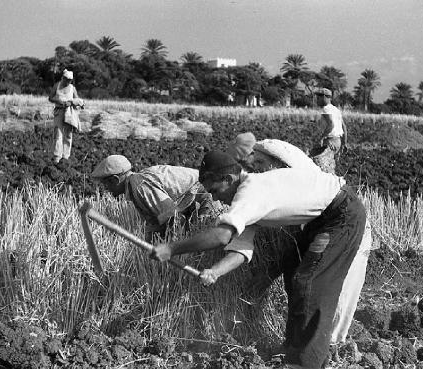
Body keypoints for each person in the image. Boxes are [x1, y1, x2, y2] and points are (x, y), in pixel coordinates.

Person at [151, 151, 367, 369]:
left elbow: (222, 235)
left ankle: (305, 363)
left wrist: (171, 248)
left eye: (215, 190)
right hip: (320, 220)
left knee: (310, 282)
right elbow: (240, 250)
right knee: (294, 275)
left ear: (228, 179)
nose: (214, 198)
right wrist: (216, 271)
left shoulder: (250, 191)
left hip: (342, 214)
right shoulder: (246, 199)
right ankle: (294, 351)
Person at [225, 137, 374, 346]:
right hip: (320, 229)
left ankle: (328, 346)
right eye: (254, 164)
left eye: (261, 164)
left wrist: (266, 276)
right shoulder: (268, 191)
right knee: (299, 281)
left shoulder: (302, 180)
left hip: (343, 226)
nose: (258, 171)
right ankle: (300, 344)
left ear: (282, 165)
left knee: (332, 289)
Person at [91, 155, 216, 241]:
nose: (106, 188)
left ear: (115, 180)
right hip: (192, 200)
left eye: (105, 184)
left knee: (198, 239)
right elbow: (157, 222)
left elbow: (174, 218)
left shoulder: (140, 187)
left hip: (206, 195)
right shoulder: (135, 185)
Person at [49, 69, 83, 164]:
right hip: (59, 111)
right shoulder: (57, 85)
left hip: (69, 113)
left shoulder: (72, 88)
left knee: (68, 134)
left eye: (69, 80)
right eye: (66, 79)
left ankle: (66, 156)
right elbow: (50, 98)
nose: (68, 81)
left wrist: (77, 103)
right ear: (63, 78)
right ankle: (57, 156)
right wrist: (58, 101)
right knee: (58, 133)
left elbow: (77, 99)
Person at [312, 88, 347, 174]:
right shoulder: (336, 110)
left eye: (319, 97)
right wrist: (343, 144)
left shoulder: (326, 109)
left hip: (329, 142)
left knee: (320, 166)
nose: (317, 99)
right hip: (337, 141)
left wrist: (322, 138)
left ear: (325, 97)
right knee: (328, 165)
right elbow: (344, 128)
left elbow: (331, 124)